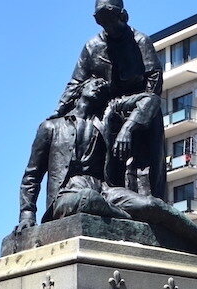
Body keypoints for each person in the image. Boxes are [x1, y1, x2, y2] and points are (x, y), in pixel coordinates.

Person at [15, 77, 197, 258]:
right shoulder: (51, 127)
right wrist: (27, 215)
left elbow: (149, 100)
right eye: (95, 83)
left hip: (103, 188)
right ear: (81, 89)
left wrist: (127, 128)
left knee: (152, 204)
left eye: (104, 85)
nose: (100, 85)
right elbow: (32, 175)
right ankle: (134, 220)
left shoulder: (105, 119)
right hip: (66, 195)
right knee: (87, 199)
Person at [58, 0, 166, 199]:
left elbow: (154, 82)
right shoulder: (92, 46)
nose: (109, 28)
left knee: (143, 171)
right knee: (105, 167)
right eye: (104, 24)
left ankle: (149, 210)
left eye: (113, 22)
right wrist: (59, 112)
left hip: (140, 114)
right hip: (106, 114)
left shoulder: (140, 41)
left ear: (123, 16)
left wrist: (134, 117)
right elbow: (75, 82)